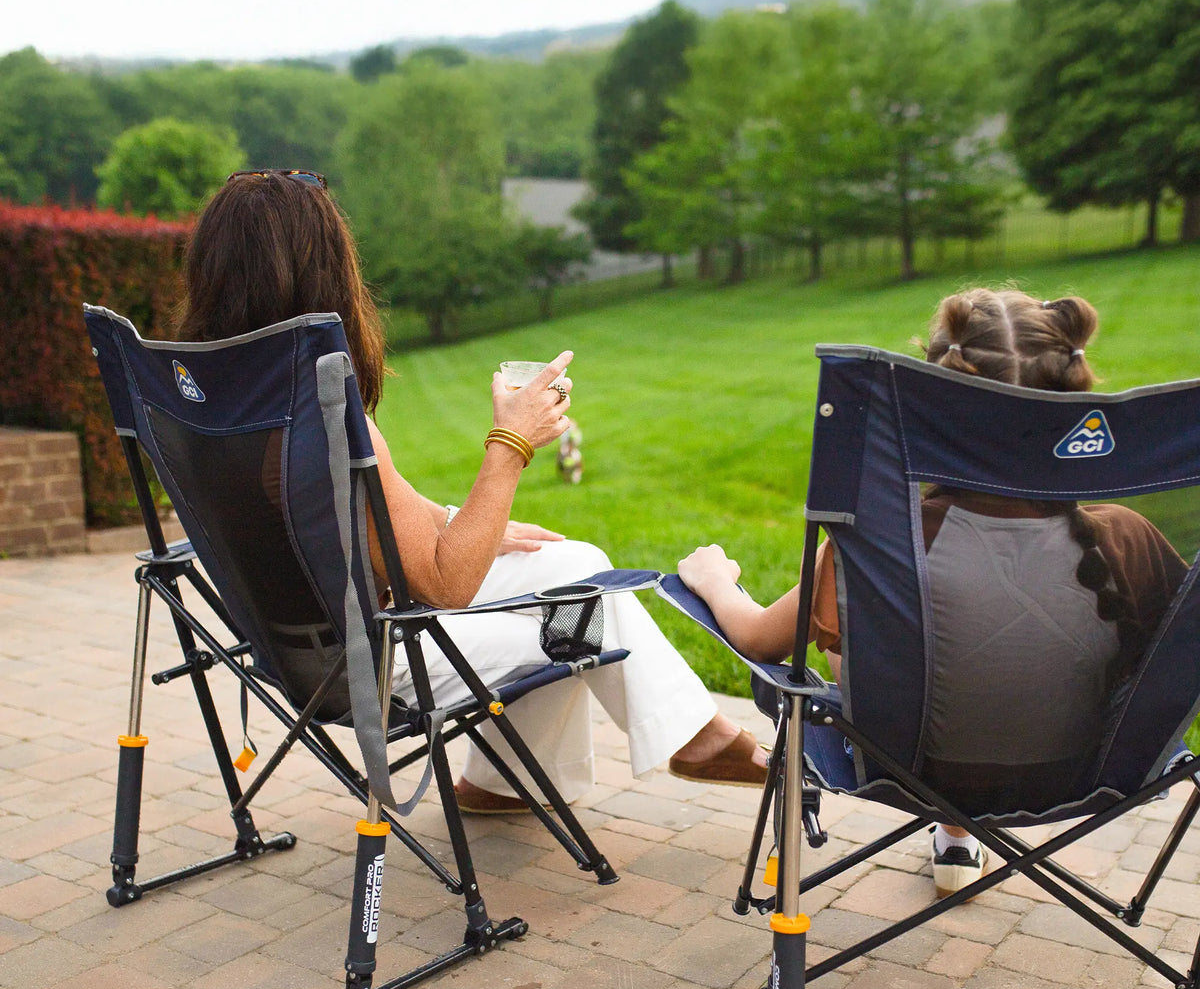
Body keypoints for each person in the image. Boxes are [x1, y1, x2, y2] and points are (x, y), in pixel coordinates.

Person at [176, 168, 767, 813]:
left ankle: (499, 784)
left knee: (570, 562)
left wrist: (460, 520)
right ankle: (689, 740)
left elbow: (357, 512)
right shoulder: (321, 421)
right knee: (583, 614)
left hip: (297, 652)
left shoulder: (220, 404)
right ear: (323, 273)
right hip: (377, 665)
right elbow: (446, 584)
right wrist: (510, 444)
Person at [679, 287, 1188, 895]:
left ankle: (954, 825)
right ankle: (956, 839)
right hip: (1088, 773)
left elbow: (760, 641)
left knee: (878, 632)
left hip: (912, 768)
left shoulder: (886, 547)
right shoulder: (1129, 538)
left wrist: (714, 580)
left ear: (933, 410)